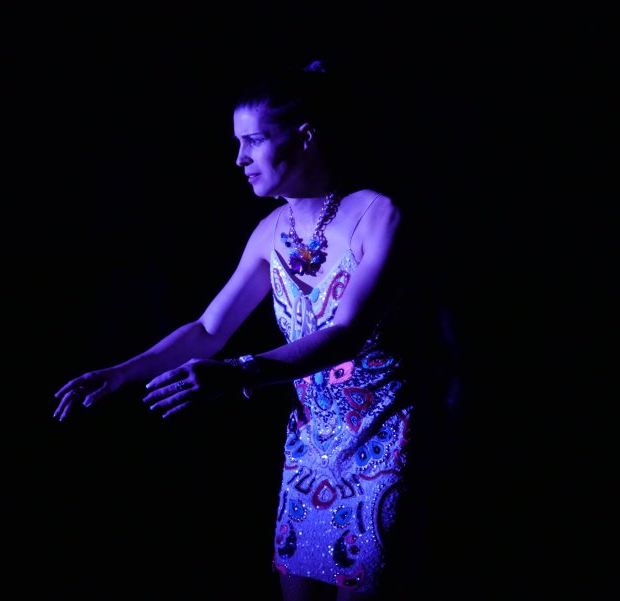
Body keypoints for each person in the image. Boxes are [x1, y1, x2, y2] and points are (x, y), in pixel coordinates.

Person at [53, 59, 453, 600]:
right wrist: (120, 373)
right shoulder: (270, 233)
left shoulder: (378, 215)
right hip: (310, 447)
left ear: (305, 137)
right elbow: (208, 330)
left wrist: (238, 373)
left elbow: (346, 333)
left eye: (254, 141)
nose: (239, 159)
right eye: (237, 143)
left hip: (385, 441)